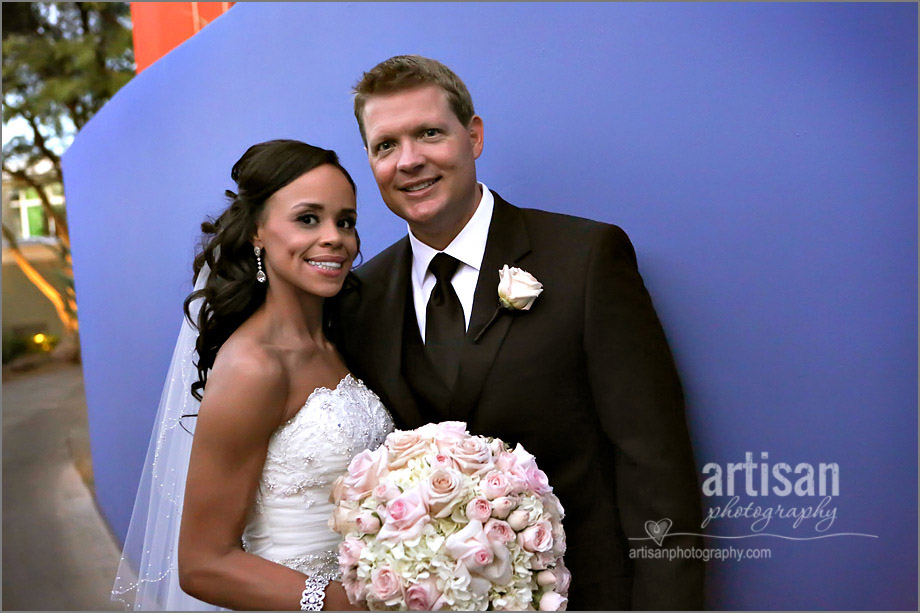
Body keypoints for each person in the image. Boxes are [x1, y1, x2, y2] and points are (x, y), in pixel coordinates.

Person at [335, 56, 705, 610]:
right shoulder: (359, 298)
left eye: (429, 133)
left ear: (474, 136)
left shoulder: (584, 260)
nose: (409, 160)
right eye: (385, 145)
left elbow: (654, 464)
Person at [112, 140, 393, 610]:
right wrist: (351, 607)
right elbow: (203, 565)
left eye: (345, 221)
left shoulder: (341, 341)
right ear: (258, 232)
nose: (335, 238)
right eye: (308, 218)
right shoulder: (254, 367)